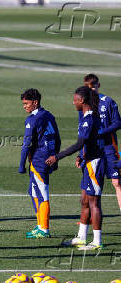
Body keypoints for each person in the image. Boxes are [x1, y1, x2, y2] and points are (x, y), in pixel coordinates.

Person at [46, 86, 104, 250]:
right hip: (87, 161)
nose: (73, 103)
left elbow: (80, 143)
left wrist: (57, 156)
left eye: (75, 100)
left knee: (94, 203)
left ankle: (97, 241)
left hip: (94, 163)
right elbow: (87, 143)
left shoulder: (89, 119)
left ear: (82, 100)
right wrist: (80, 155)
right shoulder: (86, 117)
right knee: (84, 200)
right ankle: (81, 237)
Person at [19, 89, 61, 238]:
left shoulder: (32, 119)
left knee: (42, 194)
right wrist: (55, 157)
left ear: (35, 102)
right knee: (33, 191)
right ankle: (40, 225)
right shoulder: (49, 115)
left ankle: (44, 229)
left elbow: (26, 144)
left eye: (26, 103)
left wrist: (21, 164)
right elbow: (58, 139)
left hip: (38, 160)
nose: (24, 106)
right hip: (47, 157)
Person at [81, 74, 121, 212]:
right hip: (92, 150)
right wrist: (81, 153)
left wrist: (102, 131)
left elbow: (118, 122)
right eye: (88, 87)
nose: (91, 89)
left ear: (99, 85)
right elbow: (82, 131)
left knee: (117, 182)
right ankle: (90, 216)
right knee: (92, 184)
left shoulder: (108, 101)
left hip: (109, 147)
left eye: (93, 86)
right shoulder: (84, 104)